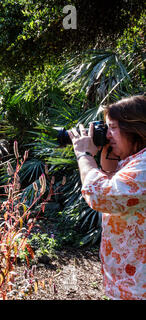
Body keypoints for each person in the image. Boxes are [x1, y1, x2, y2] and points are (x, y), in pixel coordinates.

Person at [68, 95, 145, 300]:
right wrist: (104, 149)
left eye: (112, 128)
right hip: (130, 283)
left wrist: (83, 155)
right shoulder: (134, 161)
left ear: (134, 128)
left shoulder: (144, 165)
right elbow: (109, 176)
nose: (107, 134)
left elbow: (101, 196)